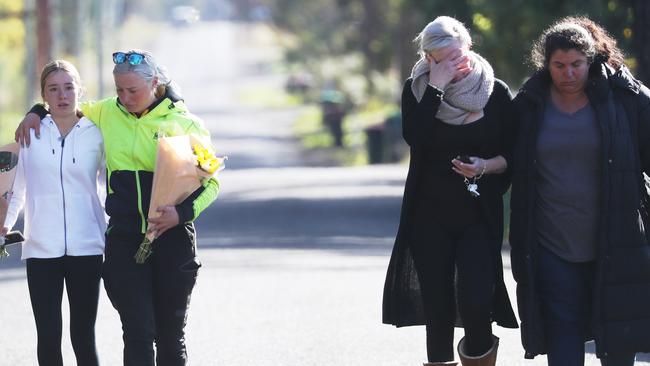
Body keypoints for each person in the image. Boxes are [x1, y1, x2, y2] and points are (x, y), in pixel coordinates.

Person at [17, 50, 220, 366]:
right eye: (119, 90)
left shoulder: (185, 122)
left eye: (133, 91)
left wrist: (182, 214)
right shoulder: (106, 113)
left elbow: (212, 183)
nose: (125, 98)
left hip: (173, 242)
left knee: (170, 337)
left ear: (154, 83)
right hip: (125, 242)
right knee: (137, 332)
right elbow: (64, 104)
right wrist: (34, 111)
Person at [509, 16, 650, 366]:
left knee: (618, 342)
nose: (568, 73)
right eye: (559, 65)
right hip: (553, 242)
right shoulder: (529, 104)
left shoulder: (624, 98)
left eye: (577, 65)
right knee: (563, 336)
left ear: (592, 60)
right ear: (546, 64)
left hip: (616, 240)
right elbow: (505, 156)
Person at [382, 16, 517, 366]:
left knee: (475, 301)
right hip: (429, 213)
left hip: (477, 212)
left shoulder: (495, 91)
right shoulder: (417, 91)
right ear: (429, 60)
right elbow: (417, 138)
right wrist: (435, 88)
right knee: (437, 307)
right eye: (444, 60)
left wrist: (485, 166)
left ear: (469, 47)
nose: (456, 65)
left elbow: (514, 156)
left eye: (459, 55)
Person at [3, 60, 105, 366]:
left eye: (69, 87)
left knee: (83, 335)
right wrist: (4, 227)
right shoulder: (29, 133)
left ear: (79, 90)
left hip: (87, 246)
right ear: (44, 95)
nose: (62, 95)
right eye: (54, 89)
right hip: (40, 248)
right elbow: (16, 189)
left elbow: (110, 188)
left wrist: (114, 231)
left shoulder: (97, 134)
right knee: (48, 336)